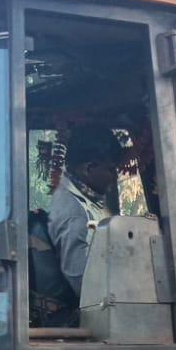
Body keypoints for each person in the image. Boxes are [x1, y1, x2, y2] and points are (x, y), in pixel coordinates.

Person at [48, 126, 121, 297]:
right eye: (111, 169)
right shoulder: (74, 212)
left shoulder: (87, 199)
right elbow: (81, 280)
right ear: (89, 169)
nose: (115, 176)